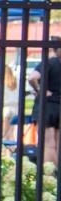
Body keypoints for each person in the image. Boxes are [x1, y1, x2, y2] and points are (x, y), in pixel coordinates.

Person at [29, 37, 61, 166]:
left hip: (46, 105)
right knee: (58, 143)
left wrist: (40, 90)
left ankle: (50, 175)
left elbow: (32, 77)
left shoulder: (48, 63)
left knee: (48, 144)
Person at [0, 64, 21, 144]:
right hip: (14, 110)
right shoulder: (16, 83)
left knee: (2, 135)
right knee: (10, 134)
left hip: (3, 111)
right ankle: (10, 153)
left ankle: (2, 153)